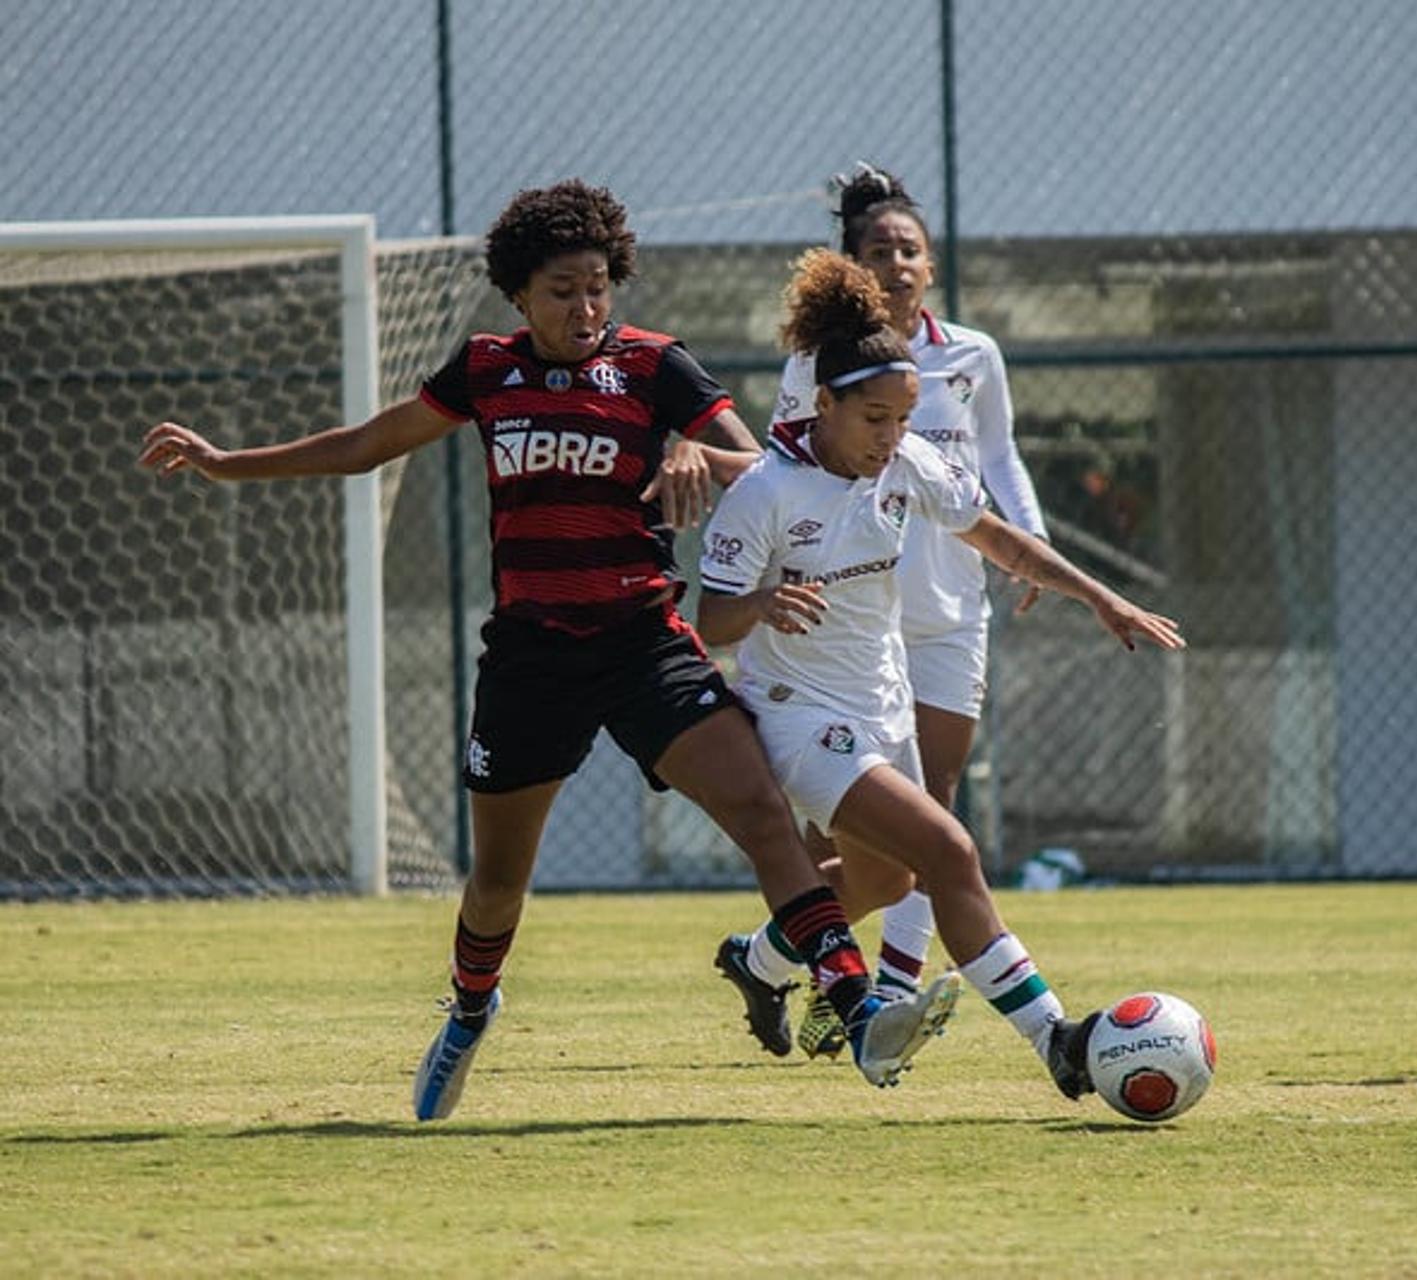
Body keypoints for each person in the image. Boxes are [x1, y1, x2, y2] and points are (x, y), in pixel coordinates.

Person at [137, 179, 958, 1119]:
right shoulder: (487, 369)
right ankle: (471, 1008)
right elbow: (373, 441)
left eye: (600, 285)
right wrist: (228, 461)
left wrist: (696, 455)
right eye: (563, 289)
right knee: (496, 883)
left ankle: (856, 1012)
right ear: (520, 296)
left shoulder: (656, 368)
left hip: (647, 644)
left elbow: (767, 464)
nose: (587, 306)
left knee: (765, 819)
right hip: (531, 658)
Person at [696, 248, 1184, 1100]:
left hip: (880, 698)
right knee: (951, 850)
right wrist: (765, 603)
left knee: (890, 879)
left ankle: (758, 958)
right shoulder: (765, 494)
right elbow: (711, 620)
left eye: (903, 417)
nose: (892, 438)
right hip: (796, 715)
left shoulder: (908, 463)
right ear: (825, 404)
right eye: (874, 419)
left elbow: (994, 535)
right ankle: (1058, 1044)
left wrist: (1098, 596)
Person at [713, 164, 1053, 1061]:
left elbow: (998, 464)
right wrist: (754, 566)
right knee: (924, 834)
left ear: (932, 265)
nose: (897, 263)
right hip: (838, 629)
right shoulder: (817, 380)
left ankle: (778, 958)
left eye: (911, 249)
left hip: (943, 614)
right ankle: (893, 1002)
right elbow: (787, 473)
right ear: (854, 267)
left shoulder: (969, 357)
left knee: (907, 844)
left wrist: (1047, 553)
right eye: (879, 250)